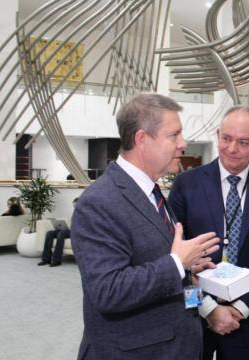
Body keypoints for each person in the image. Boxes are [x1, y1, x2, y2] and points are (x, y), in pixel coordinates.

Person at [70, 93, 221, 359]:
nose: (183, 144)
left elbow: (154, 263)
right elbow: (108, 291)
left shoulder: (152, 193)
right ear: (142, 139)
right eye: (174, 135)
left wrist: (187, 269)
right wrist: (177, 263)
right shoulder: (98, 202)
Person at [169, 105, 249, 360]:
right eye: (226, 139)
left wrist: (242, 309)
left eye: (244, 142)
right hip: (193, 314)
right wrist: (208, 308)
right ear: (217, 135)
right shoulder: (186, 185)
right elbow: (172, 260)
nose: (232, 149)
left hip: (245, 320)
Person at [37, 198, 78, 267]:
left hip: (75, 232)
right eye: (74, 206)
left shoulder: (85, 213)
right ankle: (46, 259)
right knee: (49, 233)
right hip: (69, 230)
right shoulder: (75, 213)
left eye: (76, 206)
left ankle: (57, 260)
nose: (74, 208)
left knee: (60, 234)